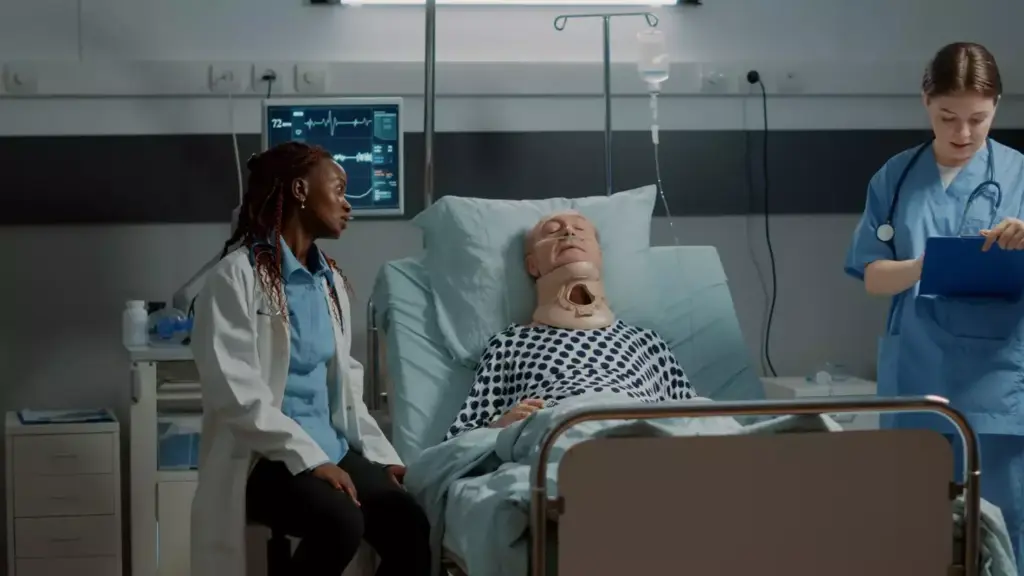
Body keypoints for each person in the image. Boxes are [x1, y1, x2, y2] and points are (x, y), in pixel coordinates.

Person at [189, 141, 431, 576]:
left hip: (332, 446)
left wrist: (379, 455)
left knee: (409, 522)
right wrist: (310, 459)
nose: (347, 204)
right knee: (341, 522)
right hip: (265, 458)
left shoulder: (329, 281)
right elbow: (235, 393)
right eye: (338, 189)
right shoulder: (235, 277)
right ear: (300, 190)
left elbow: (346, 385)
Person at [845, 42, 1024, 571]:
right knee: (917, 526)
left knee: (1007, 530)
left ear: (997, 108)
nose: (963, 133)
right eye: (948, 117)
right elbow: (874, 277)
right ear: (926, 102)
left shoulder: (1019, 174)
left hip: (996, 381)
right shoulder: (896, 179)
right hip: (917, 373)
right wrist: (930, 263)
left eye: (978, 119)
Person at [445, 210, 696, 440]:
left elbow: (698, 417)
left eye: (581, 230)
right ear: (532, 265)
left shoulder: (647, 343)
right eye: (552, 231)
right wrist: (501, 427)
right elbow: (459, 441)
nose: (569, 232)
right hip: (555, 430)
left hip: (643, 433)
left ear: (599, 255)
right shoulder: (509, 344)